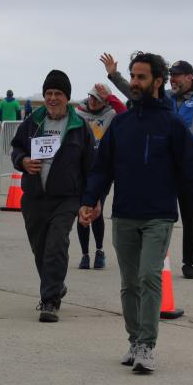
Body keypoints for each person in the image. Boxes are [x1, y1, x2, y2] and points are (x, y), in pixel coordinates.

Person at [81, 52, 193, 374]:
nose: (135, 82)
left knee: (149, 276)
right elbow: (102, 168)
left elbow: (190, 170)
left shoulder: (172, 124)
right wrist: (90, 199)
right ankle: (134, 340)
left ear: (158, 81)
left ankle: (146, 345)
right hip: (125, 213)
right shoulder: (122, 124)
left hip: (159, 215)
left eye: (141, 77)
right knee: (129, 283)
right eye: (132, 76)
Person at [101, 52, 193, 279]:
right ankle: (151, 258)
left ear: (189, 77)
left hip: (189, 166)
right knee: (159, 217)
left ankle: (189, 262)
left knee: (191, 216)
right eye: (172, 75)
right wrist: (114, 75)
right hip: (163, 166)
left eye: (178, 75)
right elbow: (134, 91)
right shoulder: (165, 97)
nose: (174, 79)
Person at [10, 70, 93, 323]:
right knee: (41, 249)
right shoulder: (33, 121)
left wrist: (91, 200)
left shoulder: (79, 127)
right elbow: (16, 148)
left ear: (67, 97)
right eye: (49, 93)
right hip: (34, 198)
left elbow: (91, 166)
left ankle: (50, 300)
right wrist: (23, 161)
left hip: (66, 199)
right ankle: (55, 285)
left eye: (58, 93)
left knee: (56, 245)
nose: (53, 98)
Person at [74, 83, 127, 269]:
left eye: (98, 99)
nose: (93, 101)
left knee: (97, 210)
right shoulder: (79, 113)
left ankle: (99, 250)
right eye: (91, 97)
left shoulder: (111, 114)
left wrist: (110, 98)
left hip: (103, 170)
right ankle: (85, 254)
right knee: (82, 210)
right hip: (81, 170)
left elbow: (125, 114)